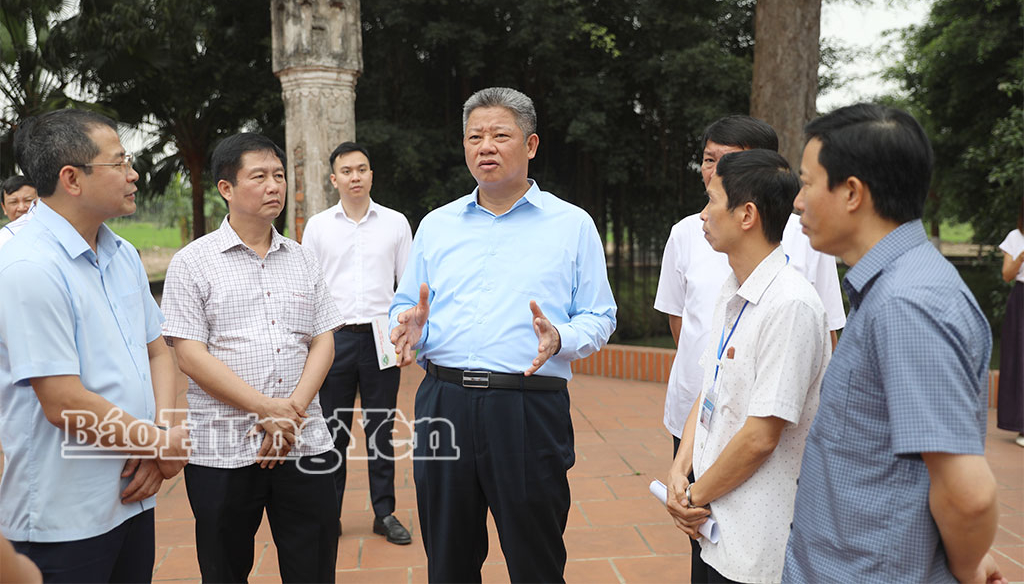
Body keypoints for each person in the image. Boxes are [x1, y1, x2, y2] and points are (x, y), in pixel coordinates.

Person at [389, 87, 617, 582]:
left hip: (527, 409)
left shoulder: (571, 225)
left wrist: (560, 338)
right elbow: (407, 303)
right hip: (443, 402)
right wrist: (408, 323)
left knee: (535, 560)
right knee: (447, 560)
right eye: (474, 136)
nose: (485, 146)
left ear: (530, 145)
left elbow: (601, 315)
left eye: (499, 135)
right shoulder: (437, 225)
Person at [783, 103, 1005, 584]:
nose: (797, 202)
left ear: (852, 192)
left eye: (806, 182)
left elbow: (969, 494)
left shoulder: (908, 304)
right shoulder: (892, 288)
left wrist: (966, 566)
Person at [0, 108, 188, 582]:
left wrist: (159, 438)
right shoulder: (27, 267)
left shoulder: (121, 254)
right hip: (65, 514)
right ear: (72, 178)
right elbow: (63, 402)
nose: (134, 174)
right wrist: (161, 445)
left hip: (132, 492)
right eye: (119, 163)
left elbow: (156, 350)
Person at [653, 116, 844, 578]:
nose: (702, 213)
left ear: (747, 215)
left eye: (714, 201)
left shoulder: (791, 305)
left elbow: (761, 437)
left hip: (756, 536)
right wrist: (683, 472)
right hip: (713, 517)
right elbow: (708, 383)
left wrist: (692, 498)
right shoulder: (734, 290)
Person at [161, 133, 343, 583]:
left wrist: (291, 414)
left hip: (304, 442)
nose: (273, 186)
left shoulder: (302, 259)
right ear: (226, 188)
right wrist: (267, 410)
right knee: (224, 568)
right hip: (222, 449)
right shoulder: (192, 263)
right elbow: (188, 354)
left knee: (314, 564)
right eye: (258, 176)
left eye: (278, 175)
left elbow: (323, 340)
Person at [302, 141, 414, 544]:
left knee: (381, 429)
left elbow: (409, 287)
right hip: (334, 338)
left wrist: (407, 338)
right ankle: (328, 515)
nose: (355, 177)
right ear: (334, 179)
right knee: (333, 430)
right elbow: (309, 288)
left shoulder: (396, 223)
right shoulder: (317, 226)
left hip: (382, 337)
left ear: (371, 174)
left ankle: (384, 513)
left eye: (362, 169)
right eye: (346, 171)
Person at [997, 197, 1024, 447]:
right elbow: (1006, 275)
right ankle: (1021, 425)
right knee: (1020, 359)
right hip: (1022, 299)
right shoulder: (1015, 237)